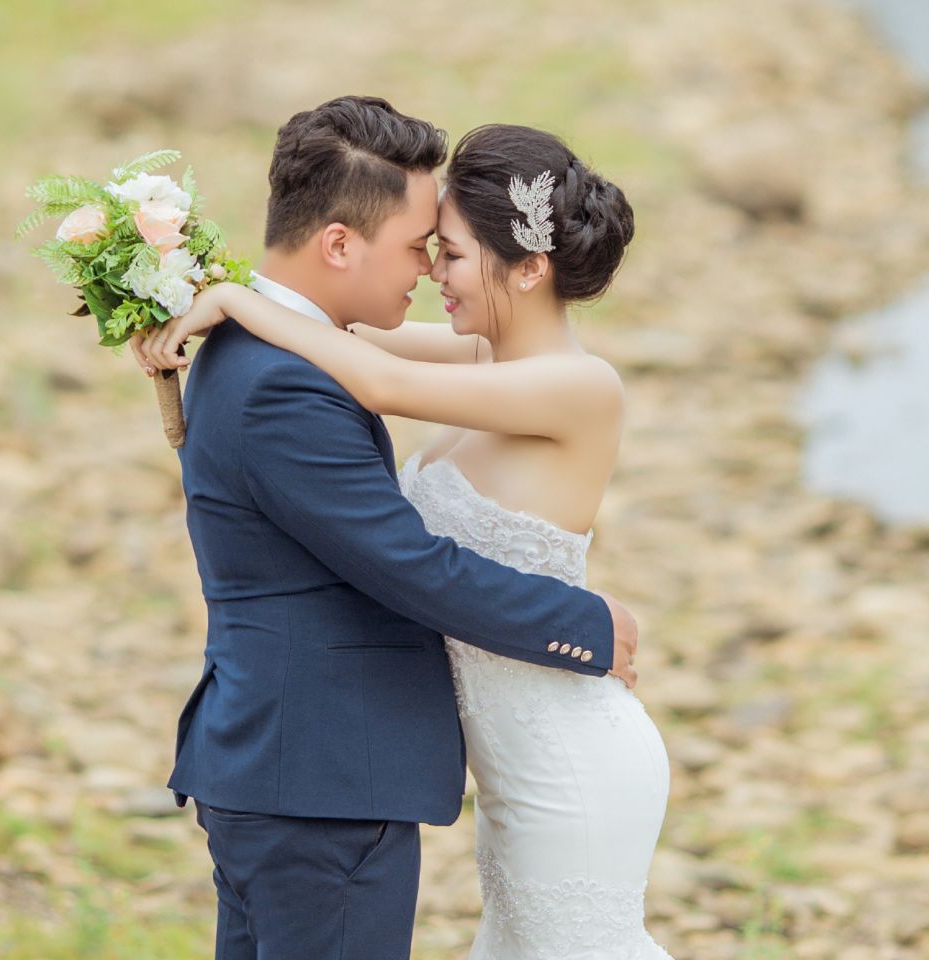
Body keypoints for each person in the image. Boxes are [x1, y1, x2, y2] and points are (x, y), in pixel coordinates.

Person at [139, 118, 673, 959]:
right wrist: (223, 296)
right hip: (475, 760)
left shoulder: (578, 384)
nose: (431, 272)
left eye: (448, 252)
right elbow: (342, 336)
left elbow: (373, 372)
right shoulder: (479, 359)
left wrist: (236, 299)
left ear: (529, 267)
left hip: (563, 752)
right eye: (428, 248)